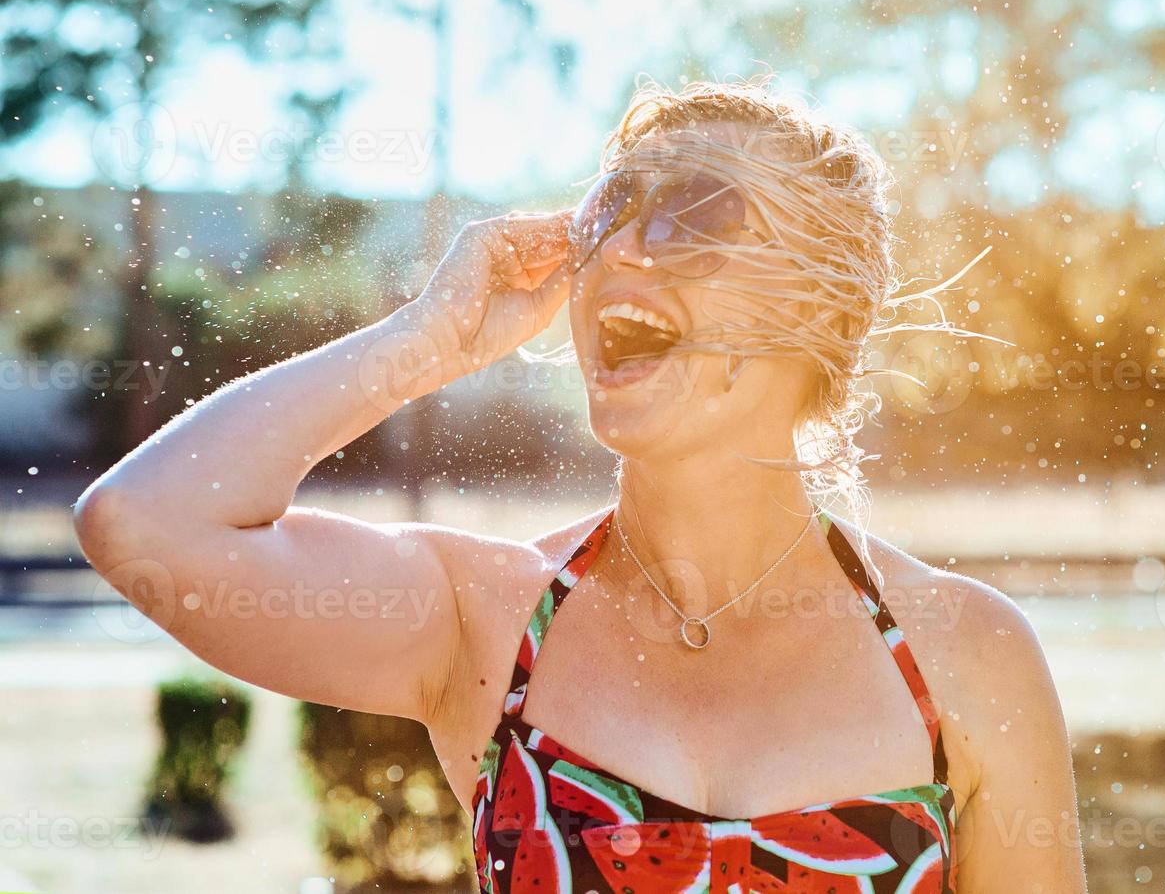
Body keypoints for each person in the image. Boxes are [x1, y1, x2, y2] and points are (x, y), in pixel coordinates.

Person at [74, 80, 1087, 892]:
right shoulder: (487, 620)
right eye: (610, 210)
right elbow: (145, 524)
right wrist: (421, 344)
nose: (629, 248)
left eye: (696, 210)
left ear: (822, 310)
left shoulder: (964, 654)